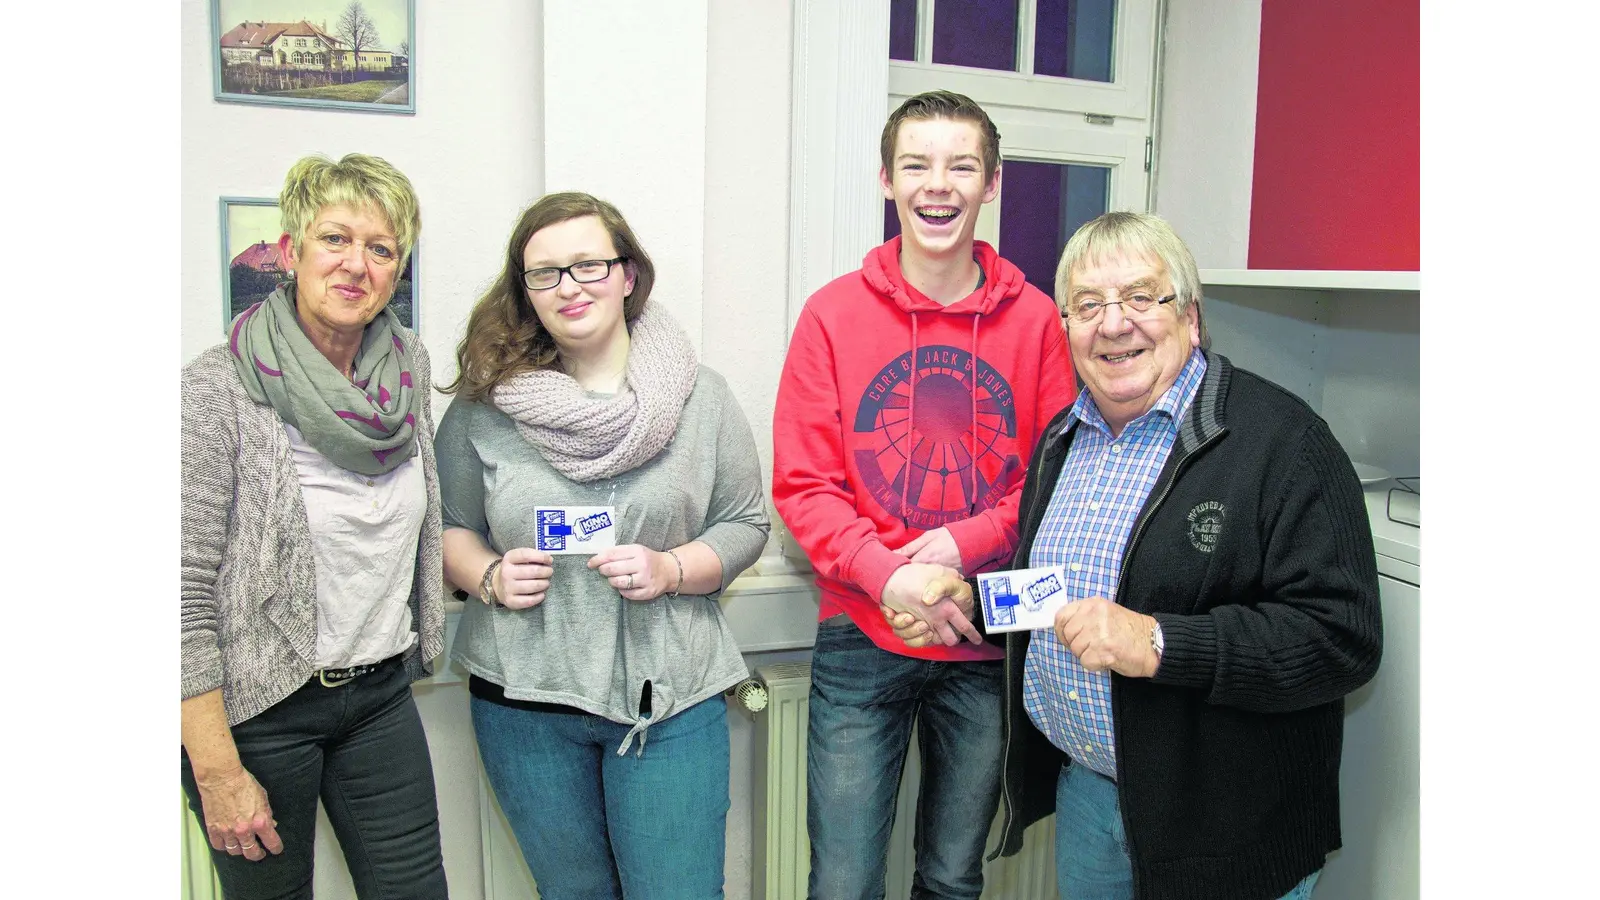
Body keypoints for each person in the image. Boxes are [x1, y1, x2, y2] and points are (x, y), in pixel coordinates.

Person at [885, 211, 1384, 900]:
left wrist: (1157, 642)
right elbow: (1060, 590)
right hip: (1091, 802)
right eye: (1088, 305)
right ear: (1066, 328)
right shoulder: (1067, 436)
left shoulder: (1285, 444)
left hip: (1226, 826)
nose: (1114, 324)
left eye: (1142, 297)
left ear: (1192, 317)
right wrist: (973, 598)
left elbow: (1341, 639)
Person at [772, 90, 1078, 899]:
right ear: (886, 179)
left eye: (960, 165)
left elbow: (1052, 483)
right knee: (841, 881)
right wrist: (892, 576)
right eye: (916, 164)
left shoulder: (1040, 321)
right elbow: (805, 485)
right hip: (861, 635)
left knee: (952, 877)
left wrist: (956, 551)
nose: (937, 185)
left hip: (982, 638)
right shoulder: (830, 316)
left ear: (993, 184)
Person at [436, 191, 769, 899]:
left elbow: (745, 523)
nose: (570, 286)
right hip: (525, 704)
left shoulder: (700, 399)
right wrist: (490, 575)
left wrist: (673, 568)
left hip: (669, 698)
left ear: (628, 275)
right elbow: (446, 526)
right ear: (525, 294)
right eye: (546, 273)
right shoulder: (483, 405)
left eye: (588, 264)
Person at [180, 153, 449, 899]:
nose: (355, 264)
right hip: (257, 713)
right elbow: (178, 595)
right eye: (335, 238)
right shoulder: (217, 388)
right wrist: (216, 769)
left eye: (381, 247)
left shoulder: (409, 369)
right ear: (292, 251)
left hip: (379, 696)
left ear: (398, 270)